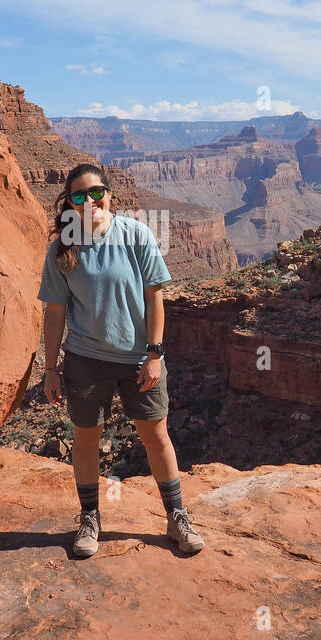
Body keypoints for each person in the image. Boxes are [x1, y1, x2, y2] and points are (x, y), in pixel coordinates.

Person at [36, 163, 205, 558]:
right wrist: (49, 369)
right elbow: (55, 312)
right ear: (69, 203)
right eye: (79, 196)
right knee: (86, 439)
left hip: (137, 359)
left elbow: (154, 297)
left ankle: (176, 515)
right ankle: (90, 517)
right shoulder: (63, 248)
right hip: (85, 359)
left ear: (109, 193)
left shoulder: (135, 234)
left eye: (96, 192)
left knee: (156, 436)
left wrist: (154, 354)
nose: (89, 201)